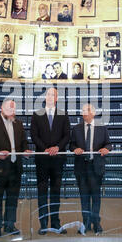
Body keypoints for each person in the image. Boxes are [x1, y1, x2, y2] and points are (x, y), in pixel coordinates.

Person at [0, 98, 31, 237]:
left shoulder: (19, 124)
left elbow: (23, 143)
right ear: (1, 108)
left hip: (15, 168)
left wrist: (26, 151)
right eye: (10, 109)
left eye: (14, 110)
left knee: (12, 199)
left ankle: (10, 225)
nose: (12, 112)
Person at [30, 87, 70, 234]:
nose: (50, 96)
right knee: (41, 192)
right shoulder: (37, 114)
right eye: (47, 94)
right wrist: (46, 149)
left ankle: (55, 223)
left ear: (56, 98)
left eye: (53, 94)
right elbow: (34, 136)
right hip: (42, 159)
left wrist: (57, 148)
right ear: (44, 97)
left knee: (55, 192)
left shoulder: (63, 115)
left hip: (58, 160)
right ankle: (43, 224)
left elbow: (67, 135)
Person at [70, 103, 111, 234]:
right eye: (82, 111)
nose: (83, 113)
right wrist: (74, 148)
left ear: (93, 113)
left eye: (85, 111)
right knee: (84, 197)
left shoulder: (102, 128)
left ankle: (96, 223)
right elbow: (71, 145)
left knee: (96, 197)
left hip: (96, 168)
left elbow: (109, 144)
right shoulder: (76, 129)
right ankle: (86, 223)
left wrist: (106, 149)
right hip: (81, 168)